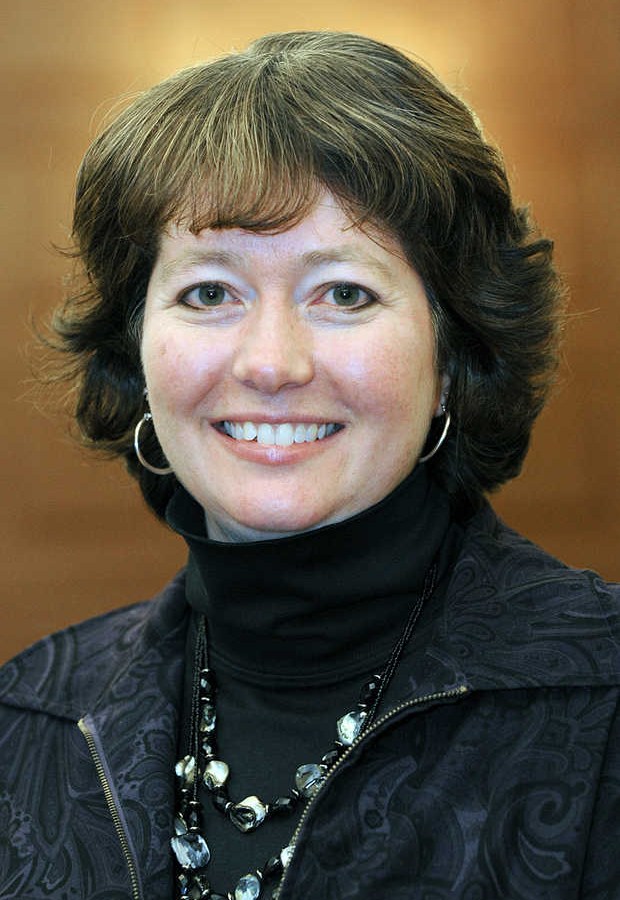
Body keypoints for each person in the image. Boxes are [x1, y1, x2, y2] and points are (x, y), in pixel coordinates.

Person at [0, 30, 618, 900]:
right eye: (209, 292)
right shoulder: (26, 720)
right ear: (135, 351)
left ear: (450, 356)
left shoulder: (602, 697)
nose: (271, 363)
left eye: (344, 293)